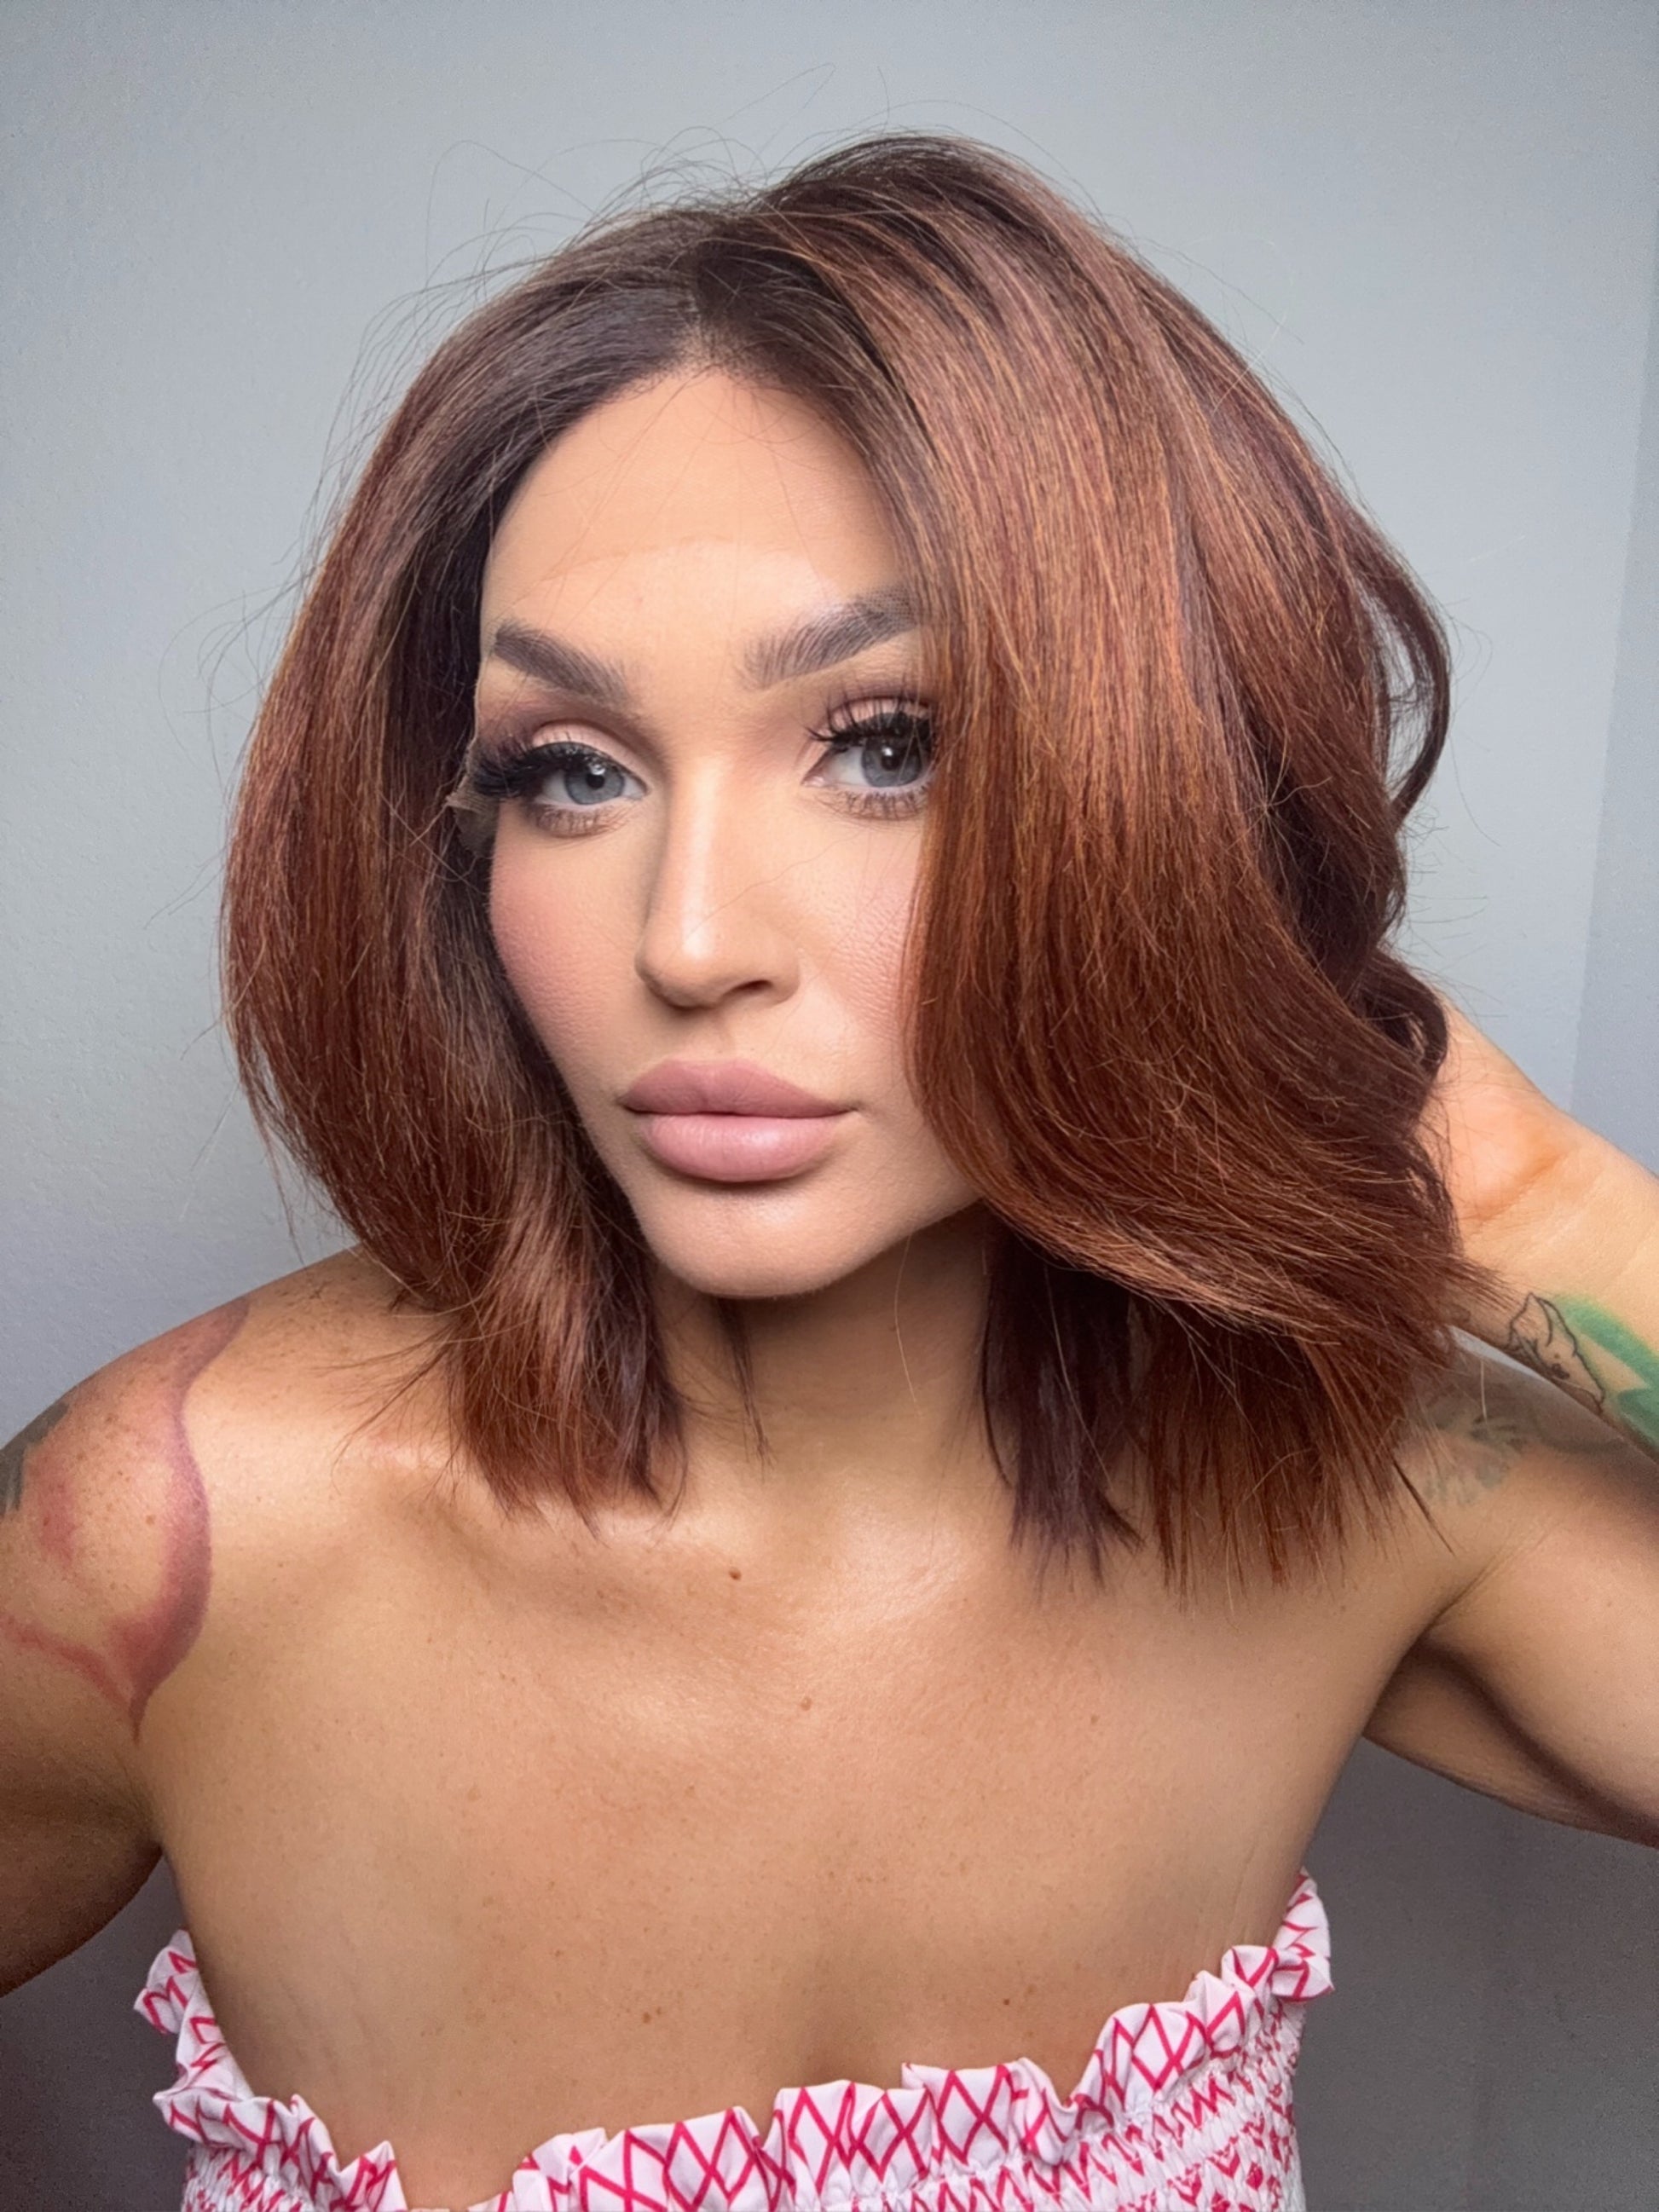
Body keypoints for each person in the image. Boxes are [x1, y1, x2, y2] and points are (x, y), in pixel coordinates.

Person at [2, 130, 1655, 2212]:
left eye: (888, 744)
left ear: (1160, 788)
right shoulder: (174, 1539)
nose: (692, 939)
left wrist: (1524, 1201)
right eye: (572, 771)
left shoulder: (1346, 1479)